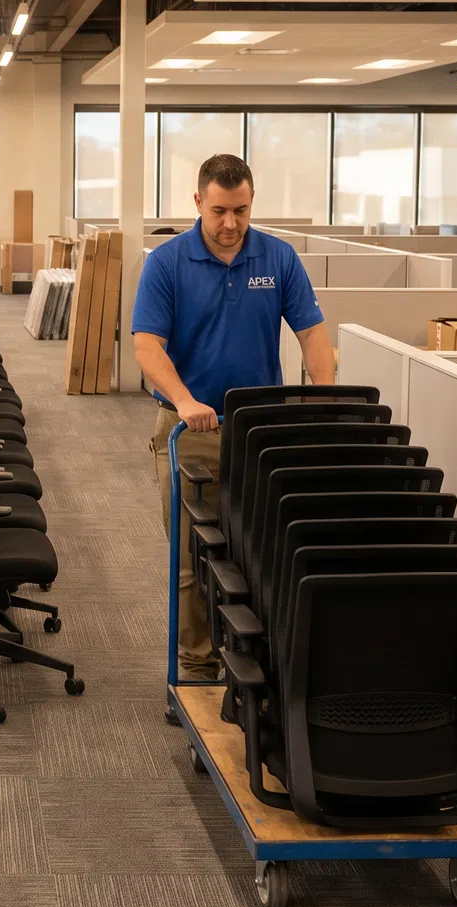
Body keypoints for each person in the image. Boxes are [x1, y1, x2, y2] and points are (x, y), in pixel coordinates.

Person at [131, 153, 333, 679]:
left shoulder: (278, 258)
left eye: (241, 210)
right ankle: (196, 664)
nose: (230, 224)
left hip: (260, 434)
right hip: (189, 431)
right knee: (194, 556)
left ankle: (258, 663)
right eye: (220, 210)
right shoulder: (167, 263)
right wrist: (184, 399)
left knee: (262, 551)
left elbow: (312, 334)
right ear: (197, 201)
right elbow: (148, 348)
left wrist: (325, 398)